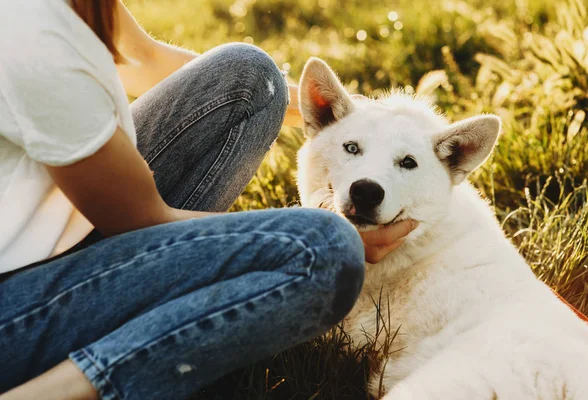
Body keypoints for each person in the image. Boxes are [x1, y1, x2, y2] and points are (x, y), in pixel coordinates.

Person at [0, 1, 417, 399]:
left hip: (45, 244)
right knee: (325, 248)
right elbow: (142, 218)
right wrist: (308, 237)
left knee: (253, 75)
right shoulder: (34, 30)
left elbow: (140, 58)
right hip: (13, 305)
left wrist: (338, 111)